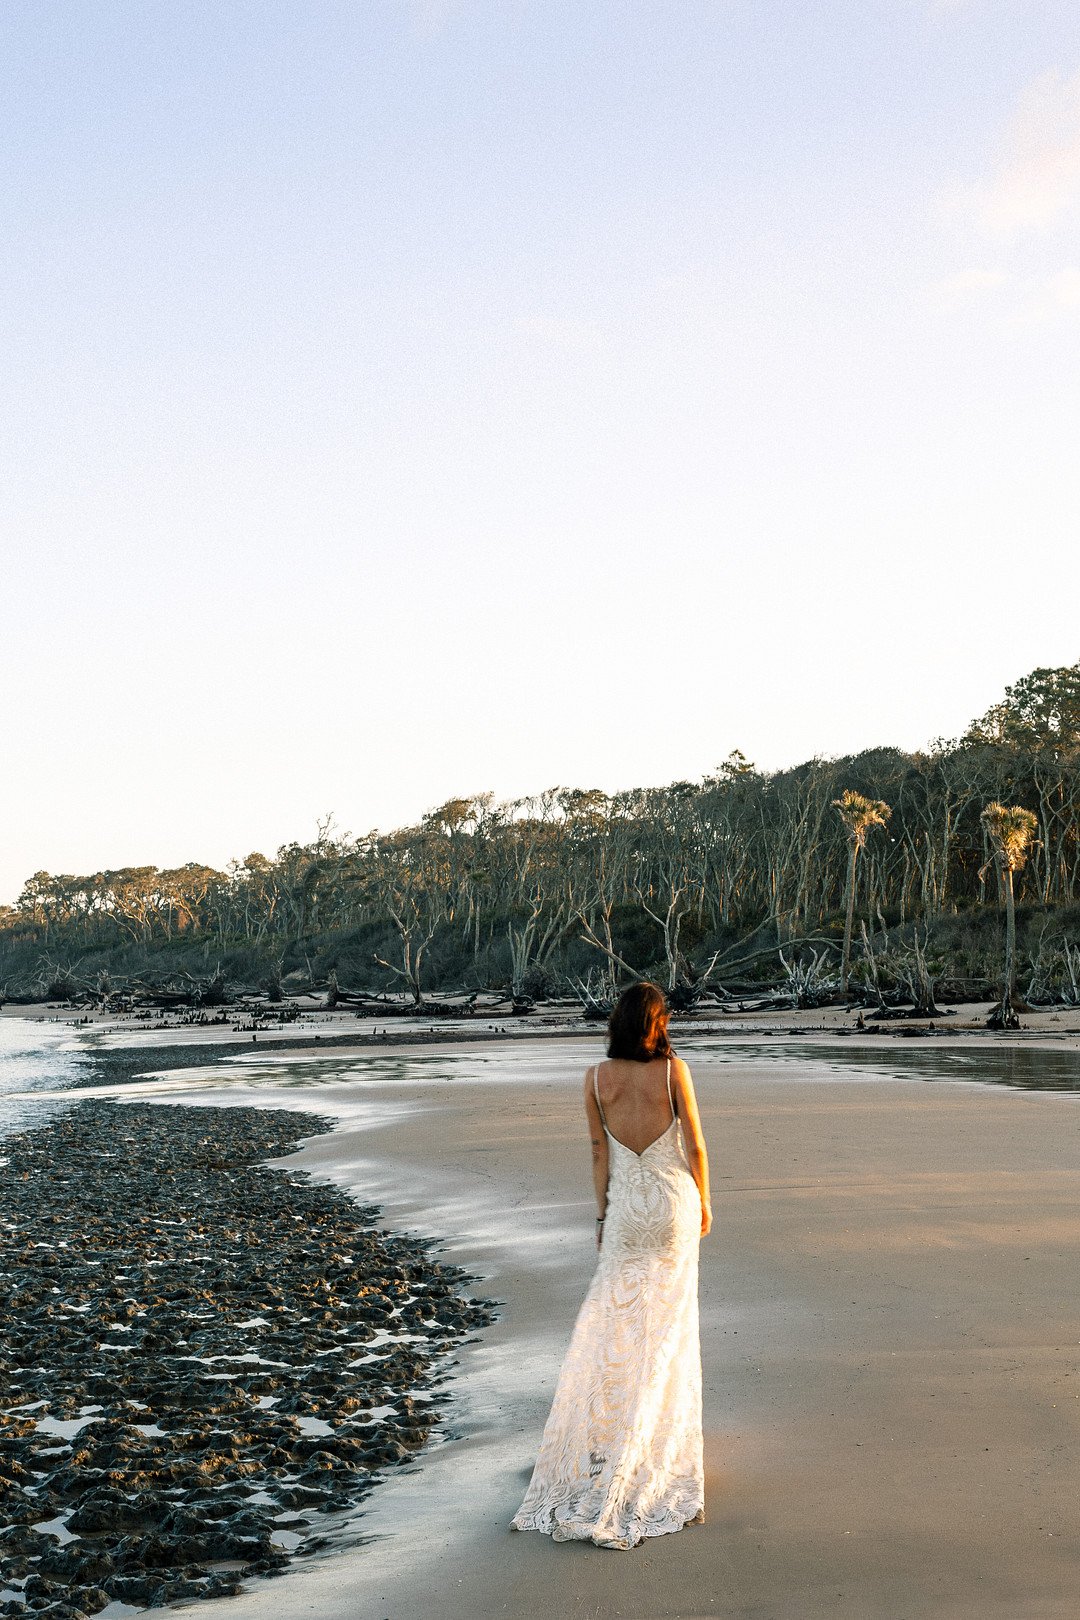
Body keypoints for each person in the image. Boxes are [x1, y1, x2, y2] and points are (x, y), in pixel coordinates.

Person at [511, 981, 711, 1549]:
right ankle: (650, 1448)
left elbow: (600, 1152)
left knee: (618, 1328)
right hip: (673, 1208)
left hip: (626, 1215)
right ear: (656, 1023)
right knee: (667, 1331)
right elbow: (695, 1145)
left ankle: (612, 1441)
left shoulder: (596, 1079)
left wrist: (601, 1217)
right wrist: (707, 1199)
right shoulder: (675, 1073)